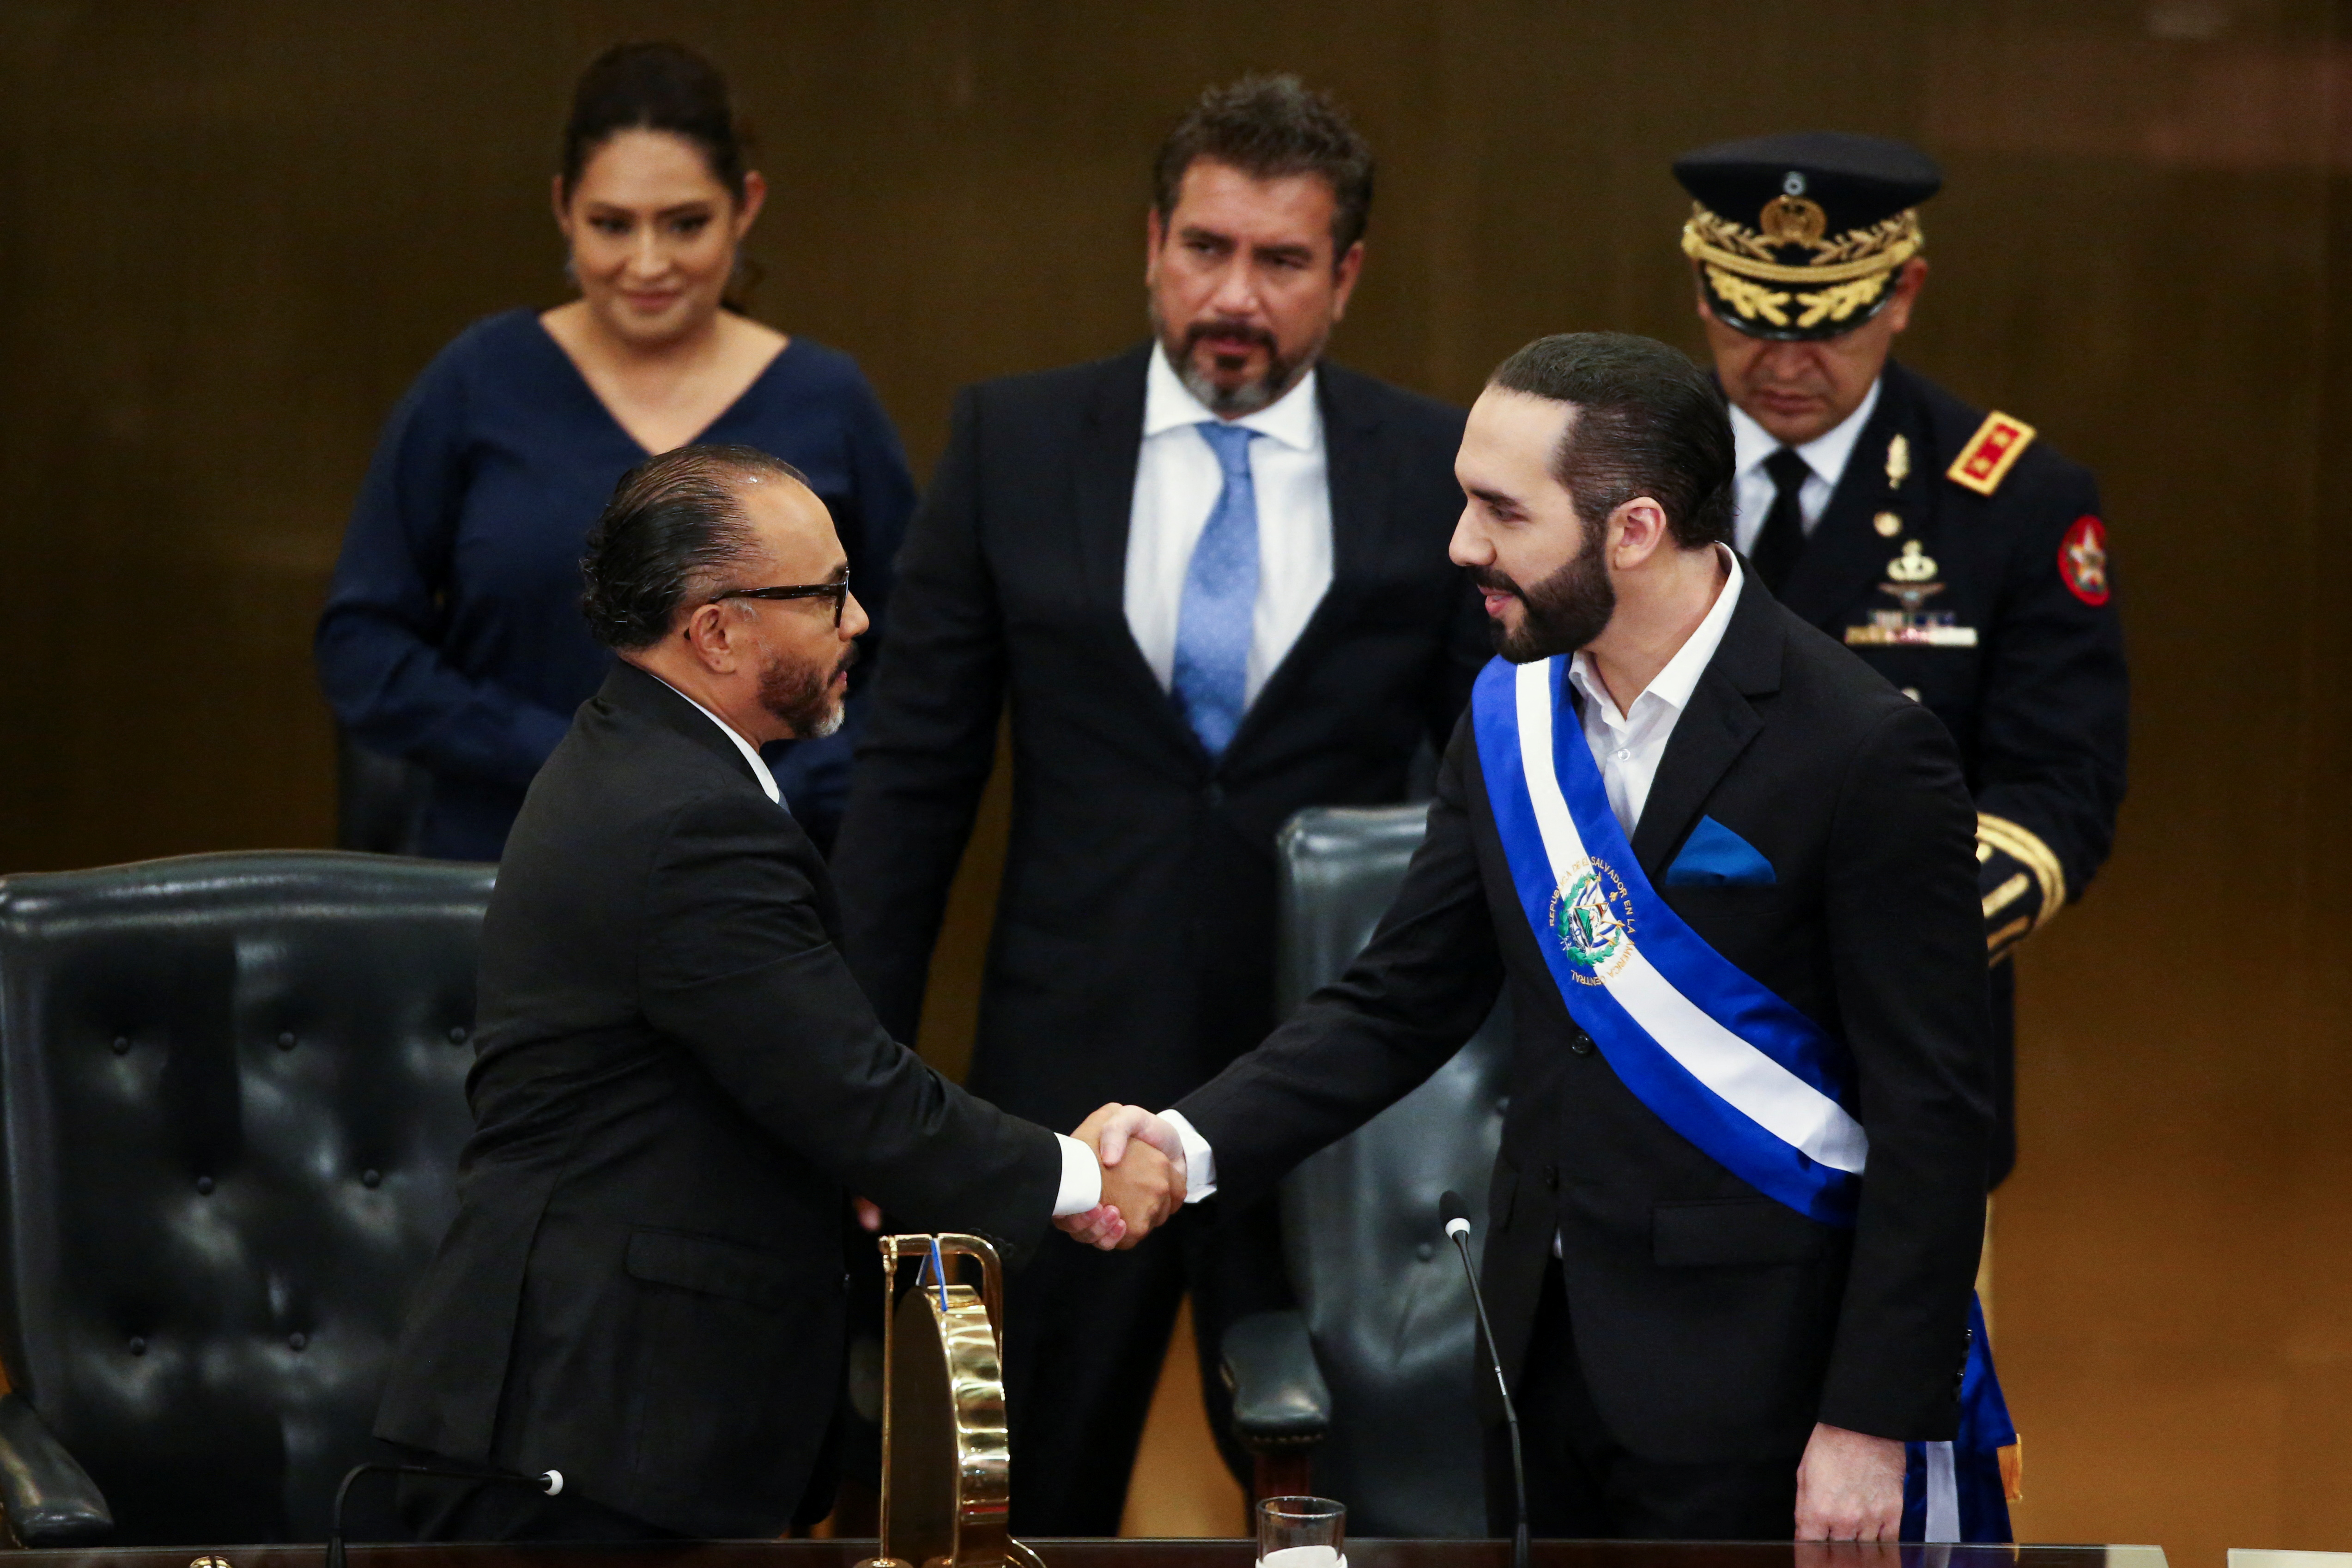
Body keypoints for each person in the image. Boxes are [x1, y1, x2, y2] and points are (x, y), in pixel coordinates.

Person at [1082, 333, 1993, 1540]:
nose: (1462, 544)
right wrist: (1182, 1142)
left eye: (1499, 512)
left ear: (1632, 529)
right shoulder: (1507, 710)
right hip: (1532, 1358)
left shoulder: (1864, 750)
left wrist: (1872, 1420)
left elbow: (1932, 1111)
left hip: (1761, 1386)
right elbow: (1398, 1000)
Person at [829, 75, 1486, 1532]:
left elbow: (1479, 799)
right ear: (1150, 242)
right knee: (1038, 1500)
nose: (1233, 294)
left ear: (1348, 275)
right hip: (1062, 1087)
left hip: (1331, 1095)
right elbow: (910, 787)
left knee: (1348, 1509)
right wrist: (859, 1099)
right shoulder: (1011, 443)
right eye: (1205, 248)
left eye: (1281, 260)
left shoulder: (1435, 472)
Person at [374, 444, 1182, 1543]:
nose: (858, 622)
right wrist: (1083, 1173)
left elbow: (782, 1083)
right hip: (588, 1436)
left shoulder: (649, 764)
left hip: (618, 1413)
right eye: (828, 594)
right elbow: (854, 1093)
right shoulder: (684, 822)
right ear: (718, 630)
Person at [315, 41, 915, 859]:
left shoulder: (828, 400)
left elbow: (915, 660)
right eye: (611, 225)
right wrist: (564, 757)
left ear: (747, 205)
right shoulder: (479, 380)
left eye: (685, 224)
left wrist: (784, 780)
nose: (647, 263)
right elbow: (364, 646)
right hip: (498, 869)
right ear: (564, 208)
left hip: (760, 871)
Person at [1671, 131, 2128, 1184]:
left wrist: (1883, 936)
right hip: (1647, 1034)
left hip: (1894, 1051)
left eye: (1831, 323)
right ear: (1700, 284)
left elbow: (2059, 786)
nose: (1786, 363)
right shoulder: (1607, 469)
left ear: (1903, 292)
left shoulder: (2010, 500)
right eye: (1750, 316)